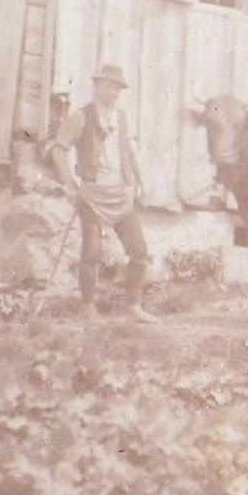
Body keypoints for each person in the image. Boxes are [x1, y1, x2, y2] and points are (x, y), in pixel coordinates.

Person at [50, 64, 158, 323]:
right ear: (97, 86)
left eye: (117, 88)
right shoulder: (81, 116)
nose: (113, 92)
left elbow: (129, 152)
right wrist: (69, 185)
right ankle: (88, 307)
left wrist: (141, 184)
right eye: (108, 86)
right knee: (91, 252)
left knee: (139, 251)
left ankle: (133, 306)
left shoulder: (121, 117)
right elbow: (58, 149)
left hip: (121, 194)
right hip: (93, 196)